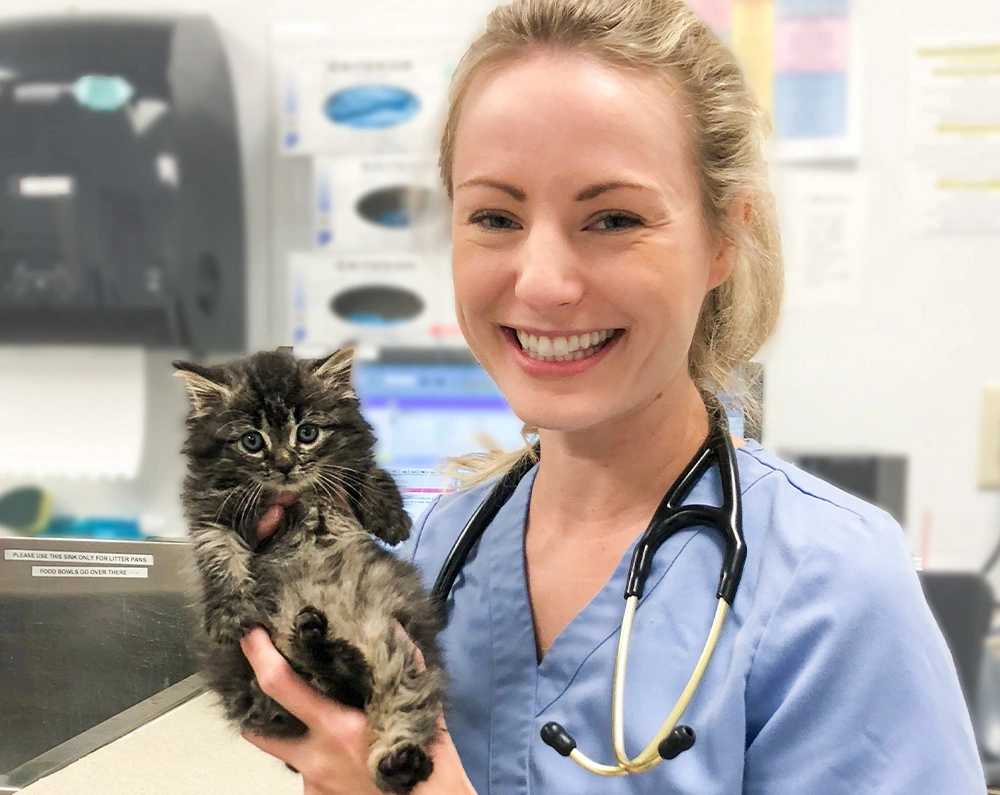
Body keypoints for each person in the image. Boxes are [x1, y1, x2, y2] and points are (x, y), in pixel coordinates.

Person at [239, 0, 986, 792]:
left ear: (723, 239)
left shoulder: (832, 586)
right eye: (495, 215)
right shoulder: (437, 554)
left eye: (613, 218)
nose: (543, 282)